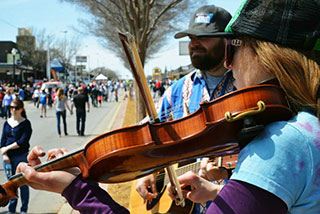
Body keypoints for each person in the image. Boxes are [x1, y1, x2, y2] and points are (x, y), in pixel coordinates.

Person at [15, 0, 320, 213]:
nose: (229, 63)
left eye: (232, 47)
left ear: (267, 54)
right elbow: (153, 141)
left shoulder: (285, 142)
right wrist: (145, 170)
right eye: (190, 39)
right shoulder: (181, 88)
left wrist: (76, 189)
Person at [136, 5, 234, 213]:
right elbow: (149, 135)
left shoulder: (245, 86)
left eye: (203, 36)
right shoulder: (178, 91)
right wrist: (149, 169)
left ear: (227, 41)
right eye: (191, 37)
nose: (194, 43)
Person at [1, 99, 32, 214]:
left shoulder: (25, 123)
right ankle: (12, 210)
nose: (13, 110)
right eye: (11, 107)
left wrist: (6, 149)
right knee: (10, 185)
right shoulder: (7, 123)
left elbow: (22, 141)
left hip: (21, 157)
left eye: (16, 108)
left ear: (21, 109)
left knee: (23, 184)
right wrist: (4, 154)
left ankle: (24, 209)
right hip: (7, 159)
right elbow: (2, 141)